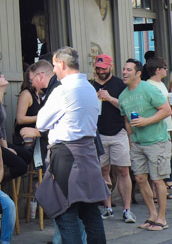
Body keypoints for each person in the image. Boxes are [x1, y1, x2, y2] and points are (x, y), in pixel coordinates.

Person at [36, 47, 108, 244]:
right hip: (88, 153)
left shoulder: (63, 90)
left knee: (66, 213)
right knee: (90, 212)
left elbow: (41, 123)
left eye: (54, 66)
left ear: (61, 64)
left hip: (66, 155)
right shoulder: (90, 89)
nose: (54, 71)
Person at [118, 58, 172, 232]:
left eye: (128, 70)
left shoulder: (149, 89)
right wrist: (130, 140)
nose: (124, 73)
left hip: (157, 141)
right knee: (140, 179)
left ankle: (162, 219)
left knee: (157, 180)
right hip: (137, 143)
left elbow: (166, 110)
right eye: (124, 69)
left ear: (138, 73)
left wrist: (146, 121)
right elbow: (127, 120)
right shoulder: (123, 95)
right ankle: (152, 215)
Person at [90, 54, 135, 223]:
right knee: (103, 171)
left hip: (118, 132)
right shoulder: (90, 85)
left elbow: (127, 108)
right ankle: (107, 207)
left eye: (103, 68)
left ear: (110, 67)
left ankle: (127, 209)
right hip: (98, 134)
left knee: (123, 171)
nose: (101, 71)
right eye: (98, 68)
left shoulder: (119, 85)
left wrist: (109, 98)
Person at [145, 56, 172, 193]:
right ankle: (155, 192)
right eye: (164, 68)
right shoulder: (149, 85)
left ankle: (160, 191)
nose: (166, 70)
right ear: (157, 70)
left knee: (164, 159)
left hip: (167, 125)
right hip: (157, 127)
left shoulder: (162, 84)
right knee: (155, 162)